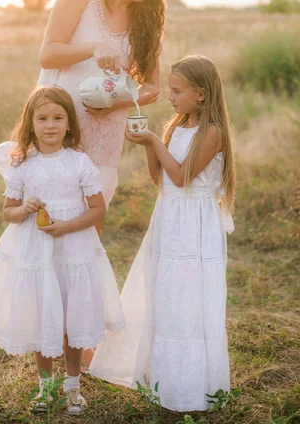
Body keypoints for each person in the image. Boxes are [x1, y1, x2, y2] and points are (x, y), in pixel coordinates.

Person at [89, 55, 236, 412]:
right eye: (170, 90)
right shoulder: (176, 127)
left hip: (195, 224)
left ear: (201, 94)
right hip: (169, 219)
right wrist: (148, 146)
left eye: (176, 91)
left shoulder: (212, 132)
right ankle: (165, 379)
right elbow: (162, 181)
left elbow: (184, 177)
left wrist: (154, 142)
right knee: (167, 294)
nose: (169, 96)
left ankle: (191, 385)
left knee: (189, 296)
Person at [0, 86, 124, 416]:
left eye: (57, 118)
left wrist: (66, 227)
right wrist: (24, 207)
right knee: (43, 315)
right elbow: (8, 212)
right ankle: (45, 386)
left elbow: (97, 209)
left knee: (72, 316)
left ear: (69, 124)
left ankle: (72, 386)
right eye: (42, 118)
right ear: (30, 123)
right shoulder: (23, 165)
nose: (50, 125)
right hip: (36, 253)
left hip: (72, 248)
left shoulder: (79, 162)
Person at [38, 0, 175, 216]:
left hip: (106, 135)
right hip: (59, 124)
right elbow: (48, 54)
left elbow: (151, 87)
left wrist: (115, 104)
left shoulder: (145, 19)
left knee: (89, 223)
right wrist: (92, 48)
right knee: (46, 218)